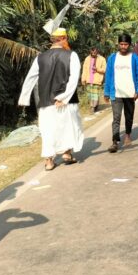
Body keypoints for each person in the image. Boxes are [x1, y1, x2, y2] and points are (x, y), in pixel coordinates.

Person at [18, 28, 85, 171]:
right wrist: (64, 98)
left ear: (52, 40)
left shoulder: (40, 57)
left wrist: (24, 98)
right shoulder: (71, 55)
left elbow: (30, 78)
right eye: (66, 38)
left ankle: (49, 161)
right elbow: (74, 79)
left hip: (46, 102)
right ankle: (67, 153)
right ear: (63, 38)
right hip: (67, 101)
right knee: (68, 128)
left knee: (48, 131)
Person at [104, 32, 138, 153]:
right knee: (116, 117)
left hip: (130, 93)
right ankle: (114, 142)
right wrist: (106, 92)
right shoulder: (112, 58)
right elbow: (108, 75)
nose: (123, 46)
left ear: (129, 45)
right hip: (116, 93)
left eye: (126, 44)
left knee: (129, 116)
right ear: (118, 44)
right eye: (121, 44)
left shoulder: (135, 58)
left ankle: (127, 135)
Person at [81, 47, 107, 112]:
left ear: (97, 52)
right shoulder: (87, 59)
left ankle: (93, 106)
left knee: (95, 94)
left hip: (97, 80)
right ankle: (93, 106)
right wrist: (83, 79)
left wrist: (97, 69)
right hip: (88, 79)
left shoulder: (102, 59)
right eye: (92, 52)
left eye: (95, 52)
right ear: (90, 52)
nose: (93, 53)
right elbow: (84, 69)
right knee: (90, 94)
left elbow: (105, 69)